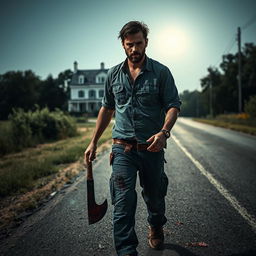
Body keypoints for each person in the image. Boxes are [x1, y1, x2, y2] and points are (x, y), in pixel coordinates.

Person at [84, 21, 181, 256]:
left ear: (146, 42)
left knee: (155, 197)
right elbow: (107, 108)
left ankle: (156, 224)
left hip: (152, 148)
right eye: (130, 45)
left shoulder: (161, 72)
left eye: (139, 43)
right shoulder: (113, 75)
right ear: (123, 45)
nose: (135, 49)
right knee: (123, 205)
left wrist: (164, 132)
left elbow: (173, 105)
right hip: (122, 150)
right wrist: (94, 141)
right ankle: (127, 251)